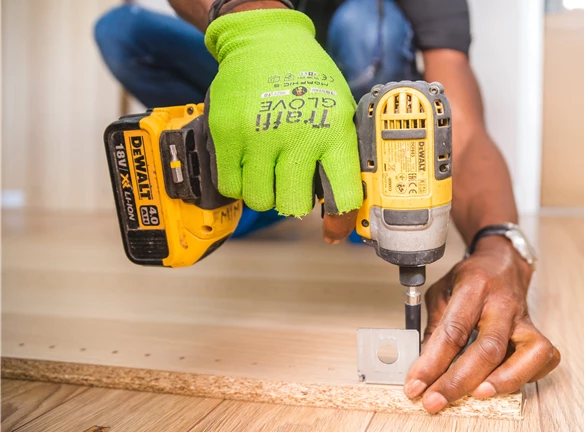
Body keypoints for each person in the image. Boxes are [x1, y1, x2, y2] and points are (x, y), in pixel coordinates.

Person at [94, 0, 560, 414]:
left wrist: (500, 244)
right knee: (123, 30)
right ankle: (263, 182)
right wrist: (253, 25)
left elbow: (463, 128)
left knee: (365, 22)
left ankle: (344, 186)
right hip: (258, 78)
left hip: (356, 95)